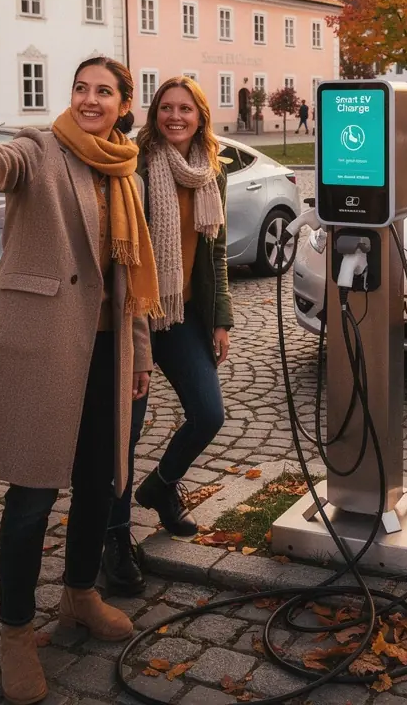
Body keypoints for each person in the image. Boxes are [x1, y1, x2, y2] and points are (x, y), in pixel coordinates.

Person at [0, 40, 159, 705]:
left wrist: (139, 354)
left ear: (124, 106)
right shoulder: (37, 150)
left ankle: (80, 594)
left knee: (99, 484)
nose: (88, 99)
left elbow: (131, 281)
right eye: (81, 87)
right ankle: (16, 634)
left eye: (103, 91)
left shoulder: (127, 173)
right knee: (30, 496)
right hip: (47, 345)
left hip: (108, 354)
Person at [102, 76, 233, 595]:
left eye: (186, 109)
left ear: (200, 116)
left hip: (182, 316)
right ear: (154, 114)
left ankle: (160, 487)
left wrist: (220, 318)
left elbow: (216, 253)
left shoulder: (210, 173)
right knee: (124, 435)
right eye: (166, 108)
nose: (175, 117)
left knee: (208, 414)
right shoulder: (131, 165)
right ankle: (115, 538)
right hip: (134, 315)